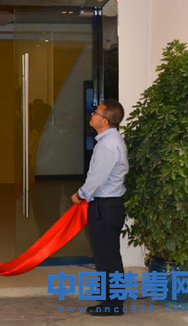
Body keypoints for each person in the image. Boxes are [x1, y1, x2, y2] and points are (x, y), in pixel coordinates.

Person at [71, 99, 128, 317]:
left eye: (96, 112)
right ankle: (112, 297)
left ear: (105, 121)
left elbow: (97, 178)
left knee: (106, 256)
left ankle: (113, 304)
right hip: (109, 204)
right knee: (108, 254)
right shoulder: (110, 140)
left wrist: (80, 195)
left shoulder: (107, 145)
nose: (92, 114)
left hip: (105, 205)